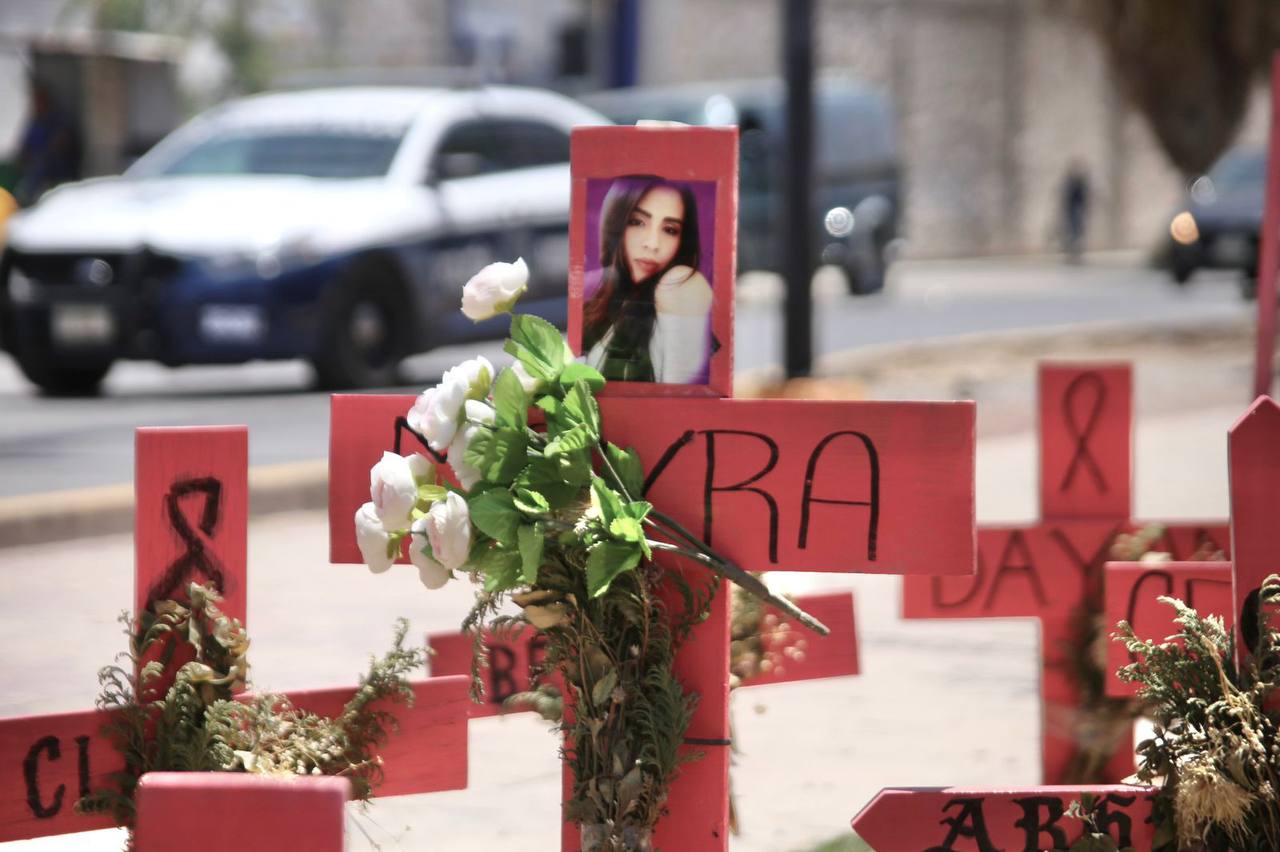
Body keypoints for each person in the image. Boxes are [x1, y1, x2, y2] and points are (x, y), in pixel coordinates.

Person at [582, 175, 713, 384]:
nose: (652, 244)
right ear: (617, 222)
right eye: (637, 222)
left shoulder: (680, 284)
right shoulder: (606, 292)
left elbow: (680, 399)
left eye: (670, 230)